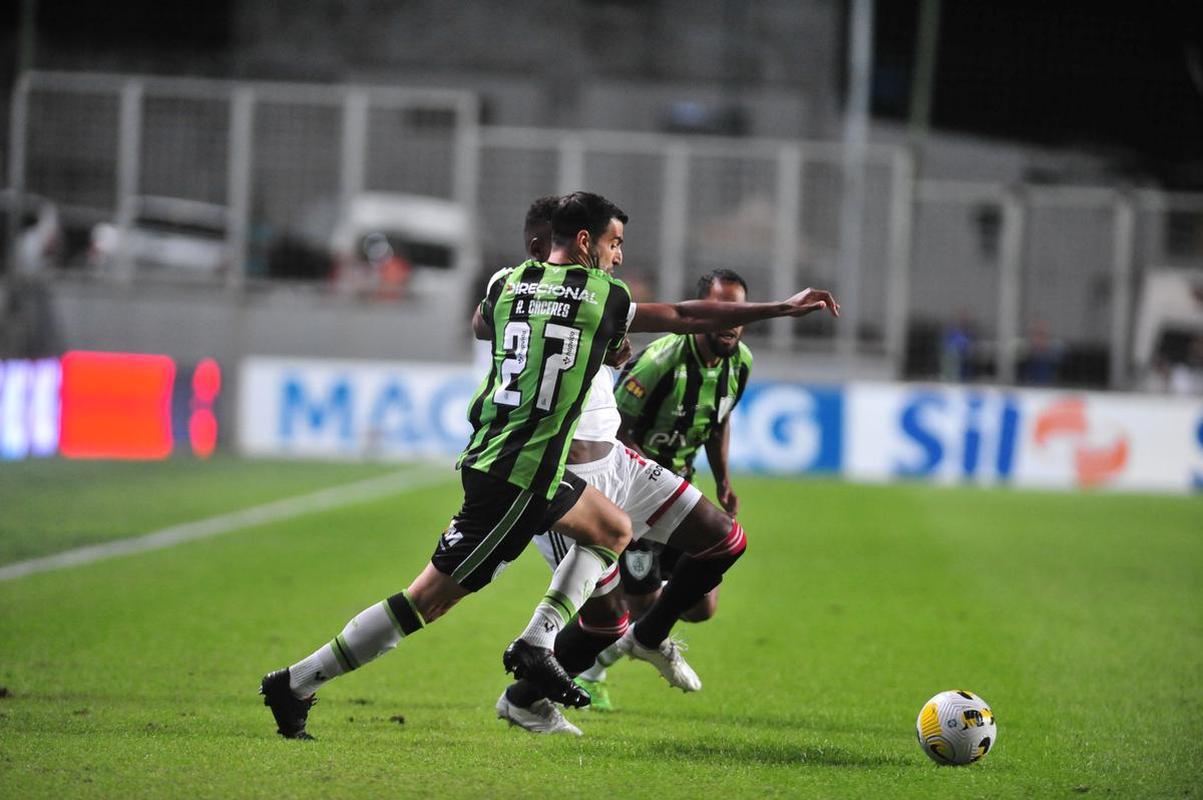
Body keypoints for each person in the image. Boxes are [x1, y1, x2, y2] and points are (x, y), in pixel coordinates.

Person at [261, 191, 836, 740]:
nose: (618, 255)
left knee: (612, 529)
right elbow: (683, 314)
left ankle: (538, 641)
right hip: (516, 474)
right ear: (585, 241)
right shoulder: (602, 295)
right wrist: (780, 307)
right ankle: (296, 682)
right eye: (613, 243)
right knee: (427, 601)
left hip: (533, 465)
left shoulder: (506, 283)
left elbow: (484, 325)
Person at [495, 217, 838, 734]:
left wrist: (722, 480)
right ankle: (565, 682)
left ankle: (637, 642)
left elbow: (719, 419)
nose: (729, 325)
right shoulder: (660, 359)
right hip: (624, 488)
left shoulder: (739, 362)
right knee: (615, 614)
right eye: (721, 312)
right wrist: (646, 476)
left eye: (736, 313)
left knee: (702, 600)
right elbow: (616, 427)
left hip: (669, 485)